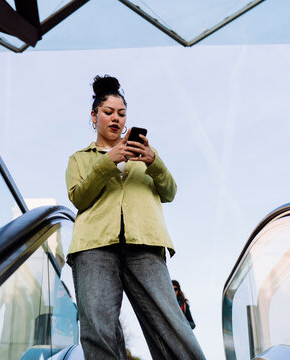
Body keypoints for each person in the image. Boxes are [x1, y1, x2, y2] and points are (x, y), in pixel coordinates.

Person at [65, 75, 205, 360]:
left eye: (121, 114)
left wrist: (154, 161)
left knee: (171, 323)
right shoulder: (80, 158)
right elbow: (79, 197)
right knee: (98, 329)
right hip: (93, 246)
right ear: (94, 117)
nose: (115, 119)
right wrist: (109, 160)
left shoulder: (147, 156)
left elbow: (169, 192)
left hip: (145, 242)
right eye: (108, 113)